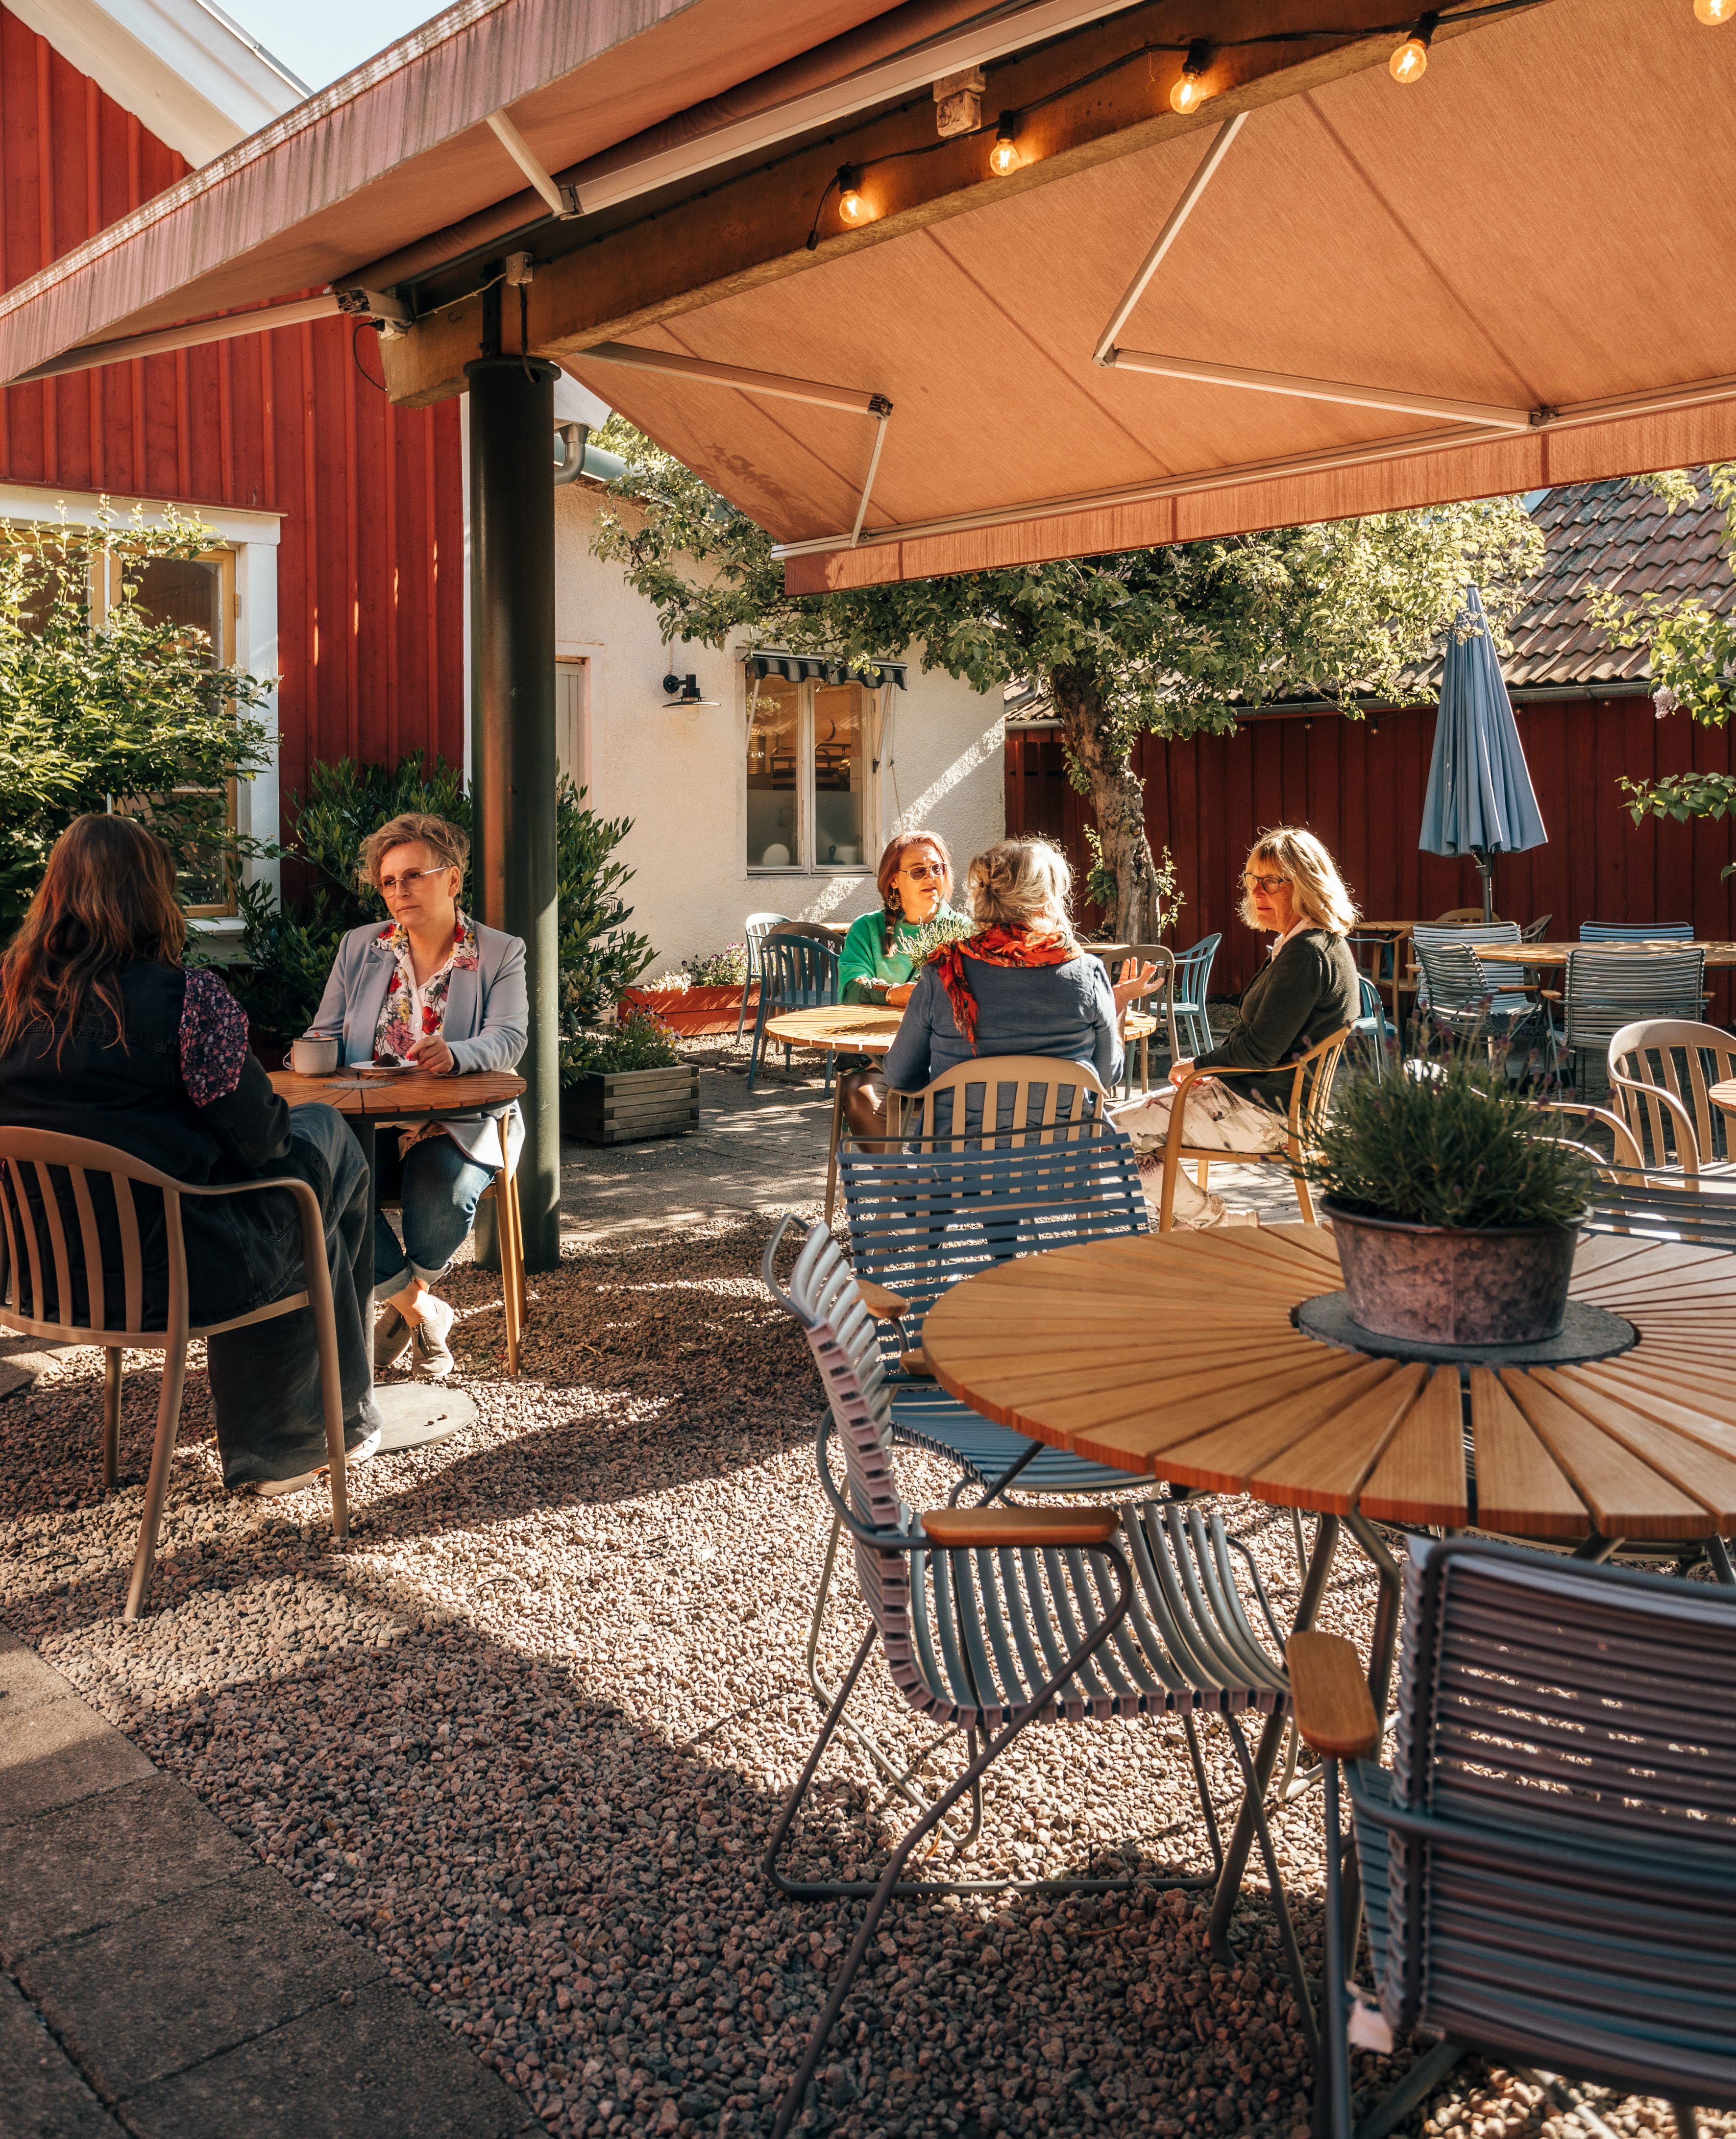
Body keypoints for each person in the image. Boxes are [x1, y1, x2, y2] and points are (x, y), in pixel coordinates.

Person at [0, 815, 381, 1495]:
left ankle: (322, 1419)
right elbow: (262, 1140)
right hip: (180, 1278)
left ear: (53, 894)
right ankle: (300, 1434)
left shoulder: (9, 997)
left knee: (298, 1182)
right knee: (324, 1144)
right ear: (154, 896)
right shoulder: (187, 1001)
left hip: (42, 1283)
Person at [307, 812, 526, 1379]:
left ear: (452, 881)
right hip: (369, 1121)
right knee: (319, 1179)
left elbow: (509, 1038)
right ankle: (422, 1309)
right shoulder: (361, 947)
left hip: (459, 1118)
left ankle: (405, 1304)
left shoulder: (499, 952)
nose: (398, 892)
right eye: (388, 882)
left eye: (413, 876)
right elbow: (324, 1031)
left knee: (444, 1192)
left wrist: (458, 1054)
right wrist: (310, 1052)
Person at [1113, 825, 1361, 1225]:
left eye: (1272, 882)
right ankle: (1196, 1229)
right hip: (1252, 1099)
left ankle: (1216, 1225)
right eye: (1251, 880)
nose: (1256, 892)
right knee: (1107, 1127)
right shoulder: (1306, 944)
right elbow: (1261, 1040)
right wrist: (1210, 1066)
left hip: (1262, 1116)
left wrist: (1196, 1066)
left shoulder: (1307, 955)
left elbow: (1260, 1051)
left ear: (1307, 885)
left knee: (1101, 1139)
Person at [880, 838, 1156, 1113]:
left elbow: (899, 1075)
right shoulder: (1088, 974)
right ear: (1045, 902)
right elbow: (1107, 1076)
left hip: (960, 1152)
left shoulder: (945, 971)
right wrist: (1117, 1006)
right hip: (1066, 1152)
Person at [837, 832, 964, 1141]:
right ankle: (907, 1189)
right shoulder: (867, 929)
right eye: (919, 871)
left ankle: (943, 1184)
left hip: (952, 1062)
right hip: (880, 1061)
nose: (931, 877)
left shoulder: (965, 930)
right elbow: (850, 991)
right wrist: (893, 994)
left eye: (938, 868)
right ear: (894, 880)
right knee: (858, 1097)